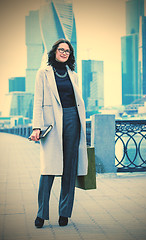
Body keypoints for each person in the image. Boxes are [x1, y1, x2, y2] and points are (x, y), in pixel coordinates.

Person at [30, 39, 88, 228]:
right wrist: (36, 127)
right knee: (48, 169)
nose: (64, 53)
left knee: (69, 169)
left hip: (73, 118)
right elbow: (38, 101)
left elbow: (77, 101)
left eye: (68, 51)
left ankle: (64, 212)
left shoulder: (74, 75)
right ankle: (41, 214)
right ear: (54, 52)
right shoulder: (43, 73)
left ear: (70, 55)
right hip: (51, 123)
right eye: (61, 49)